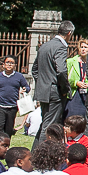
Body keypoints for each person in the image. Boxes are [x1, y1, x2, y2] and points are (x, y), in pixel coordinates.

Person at [29, 20, 73, 149]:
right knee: (50, 126)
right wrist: (64, 89)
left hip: (43, 91)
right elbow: (61, 71)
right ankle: (41, 155)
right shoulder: (60, 46)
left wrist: (43, 83)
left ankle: (34, 152)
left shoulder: (45, 45)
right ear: (69, 33)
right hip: (54, 92)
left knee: (45, 123)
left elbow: (35, 70)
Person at [0, 57, 30, 137]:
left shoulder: (19, 76)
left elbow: (27, 87)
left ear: (15, 65)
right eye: (7, 62)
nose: (9, 64)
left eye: (12, 63)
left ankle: (5, 147)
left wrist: (26, 89)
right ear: (3, 65)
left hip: (12, 107)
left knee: (8, 130)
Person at [65, 39, 88, 119]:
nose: (83, 49)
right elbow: (65, 78)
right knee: (72, 117)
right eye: (81, 47)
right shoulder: (71, 62)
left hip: (87, 94)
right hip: (74, 94)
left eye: (85, 47)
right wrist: (76, 83)